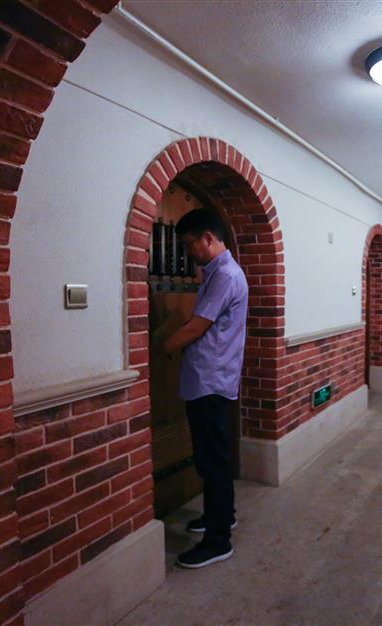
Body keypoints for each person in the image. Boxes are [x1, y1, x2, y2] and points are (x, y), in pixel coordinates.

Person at [156, 208, 248, 569]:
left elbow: (196, 327)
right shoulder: (216, 273)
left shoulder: (225, 274)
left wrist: (160, 347)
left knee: (214, 461)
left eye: (190, 243)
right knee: (212, 457)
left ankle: (218, 539)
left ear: (208, 238)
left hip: (211, 381)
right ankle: (220, 517)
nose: (188, 251)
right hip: (208, 378)